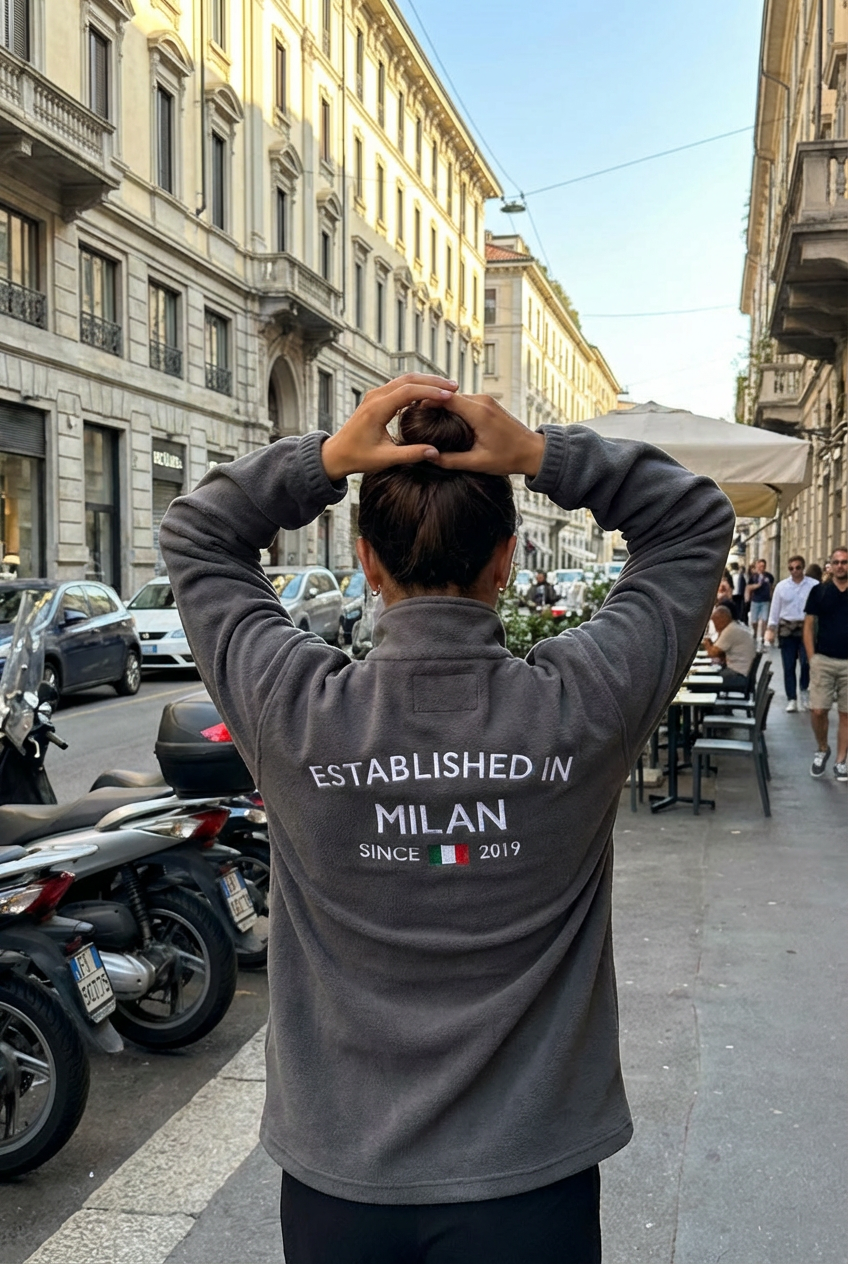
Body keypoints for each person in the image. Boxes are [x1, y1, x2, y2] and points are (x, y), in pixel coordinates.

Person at [159, 375, 734, 1264]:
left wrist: (325, 459)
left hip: (340, 1179)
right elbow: (692, 519)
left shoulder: (294, 709)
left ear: (365, 561)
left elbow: (198, 531)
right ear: (506, 560)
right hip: (531, 1181)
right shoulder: (583, 705)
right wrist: (543, 454)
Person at [804, 545, 848, 781]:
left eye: (845, 562)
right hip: (823, 659)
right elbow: (809, 625)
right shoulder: (819, 592)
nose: (840, 566)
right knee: (818, 710)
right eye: (837, 562)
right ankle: (822, 748)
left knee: (846, 714)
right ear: (830, 566)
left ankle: (841, 761)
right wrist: (812, 658)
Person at [765, 555, 819, 711]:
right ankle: (791, 698)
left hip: (806, 628)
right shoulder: (781, 587)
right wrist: (771, 628)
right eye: (791, 568)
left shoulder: (814, 585)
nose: (794, 571)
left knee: (806, 663)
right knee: (788, 666)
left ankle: (804, 692)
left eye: (798, 567)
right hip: (787, 629)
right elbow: (775, 608)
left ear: (803, 568)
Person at [702, 604, 756, 691]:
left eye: (715, 622)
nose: (715, 626)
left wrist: (706, 642)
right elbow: (720, 652)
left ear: (722, 619)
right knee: (709, 677)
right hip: (743, 672)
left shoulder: (730, 630)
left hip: (738, 675)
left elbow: (713, 653)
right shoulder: (735, 626)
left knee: (704, 683)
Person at [746, 558, 775, 649]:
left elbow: (771, 587)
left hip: (765, 600)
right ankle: (755, 632)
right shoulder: (753, 577)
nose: (761, 567)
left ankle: (762, 637)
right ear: (757, 566)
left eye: (763, 566)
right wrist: (756, 586)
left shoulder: (769, 576)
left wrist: (771, 597)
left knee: (764, 620)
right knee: (754, 621)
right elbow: (749, 587)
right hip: (755, 600)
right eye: (759, 566)